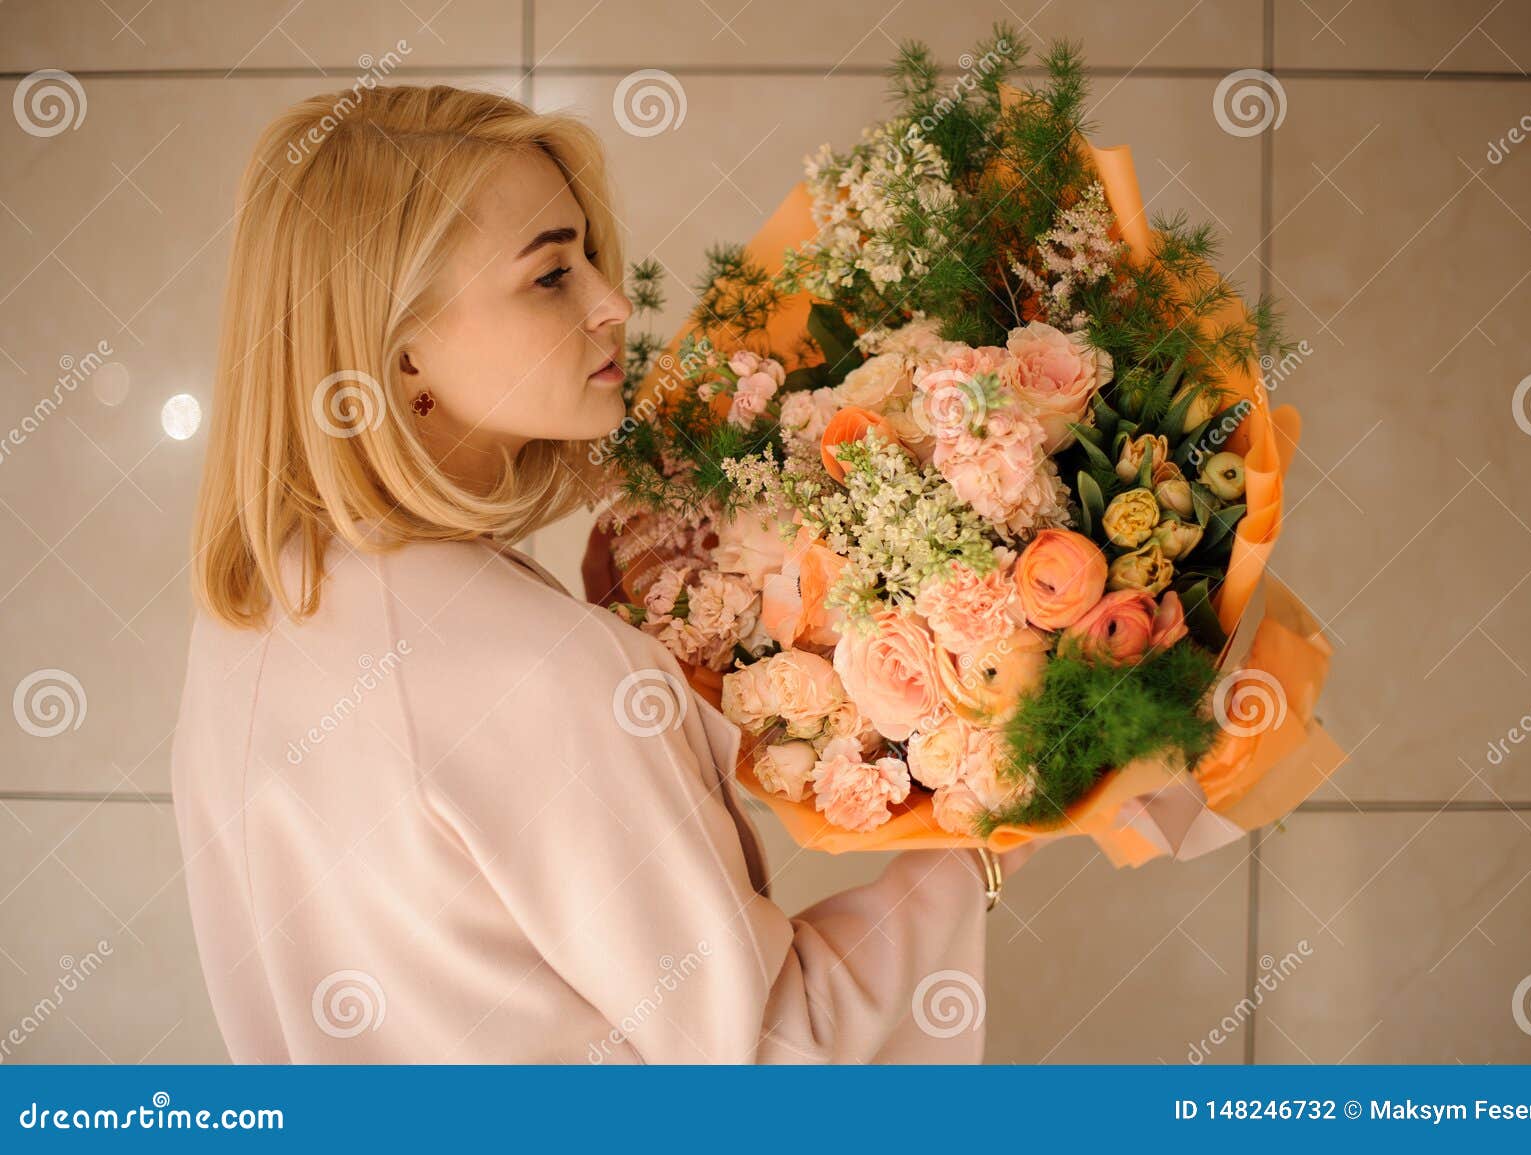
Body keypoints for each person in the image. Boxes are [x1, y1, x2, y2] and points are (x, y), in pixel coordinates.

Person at [172, 82, 1035, 1064]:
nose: (611, 302)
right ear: (401, 354)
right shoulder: (542, 671)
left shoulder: (254, 613)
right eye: (550, 275)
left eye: (587, 254)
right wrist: (981, 840)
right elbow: (769, 1063)